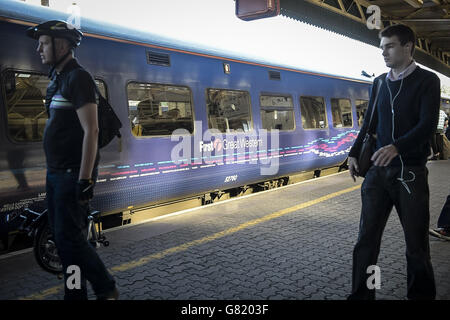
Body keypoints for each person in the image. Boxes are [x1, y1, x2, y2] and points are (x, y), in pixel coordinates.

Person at [347, 24, 440, 300]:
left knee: (416, 244)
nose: (383, 53)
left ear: (408, 47)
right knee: (366, 241)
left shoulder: (427, 80)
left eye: (389, 46)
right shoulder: (379, 82)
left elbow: (427, 124)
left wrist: (397, 147)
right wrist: (353, 153)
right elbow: (369, 123)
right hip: (377, 173)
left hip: (409, 173)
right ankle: (361, 297)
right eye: (382, 48)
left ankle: (421, 296)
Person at [26, 20, 118, 300]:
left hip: (71, 173)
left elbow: (92, 130)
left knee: (71, 239)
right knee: (65, 240)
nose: (39, 49)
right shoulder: (57, 78)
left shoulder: (78, 78)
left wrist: (85, 179)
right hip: (56, 173)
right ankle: (76, 293)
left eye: (43, 43)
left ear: (62, 45)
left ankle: (104, 288)